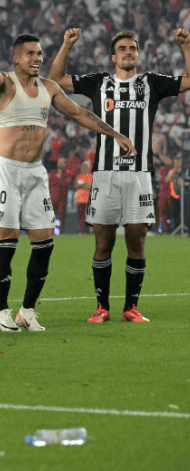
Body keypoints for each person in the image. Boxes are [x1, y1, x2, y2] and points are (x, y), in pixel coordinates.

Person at [0, 22, 134, 332]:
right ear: (16, 57)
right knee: (7, 241)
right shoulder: (3, 83)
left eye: (40, 53)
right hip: (6, 170)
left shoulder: (49, 87)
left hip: (35, 173)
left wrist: (116, 135)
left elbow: (79, 113)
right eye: (30, 53)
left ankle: (27, 311)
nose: (37, 58)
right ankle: (1, 311)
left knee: (44, 244)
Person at [49, 27, 190, 323]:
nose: (128, 51)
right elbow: (56, 79)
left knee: (137, 241)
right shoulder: (99, 82)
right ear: (113, 56)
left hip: (139, 174)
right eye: (123, 48)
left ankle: (131, 308)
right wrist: (66, 45)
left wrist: (186, 47)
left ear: (138, 54)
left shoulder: (151, 82)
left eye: (133, 48)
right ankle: (102, 307)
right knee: (103, 242)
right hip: (105, 175)